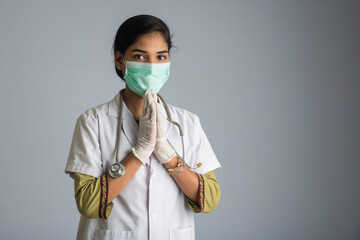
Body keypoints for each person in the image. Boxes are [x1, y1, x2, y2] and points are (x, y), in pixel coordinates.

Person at [64, 14, 221, 240]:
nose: (151, 66)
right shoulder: (93, 122)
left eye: (160, 57)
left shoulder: (187, 122)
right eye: (140, 56)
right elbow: (89, 204)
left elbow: (210, 200)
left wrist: (166, 153)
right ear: (120, 60)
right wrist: (140, 151)